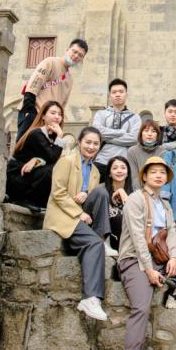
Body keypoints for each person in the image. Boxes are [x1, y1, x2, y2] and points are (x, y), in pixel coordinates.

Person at [118, 156, 176, 350]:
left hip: (160, 256)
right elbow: (135, 236)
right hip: (135, 258)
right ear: (144, 176)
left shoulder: (165, 205)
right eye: (153, 172)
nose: (158, 176)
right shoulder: (135, 199)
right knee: (141, 307)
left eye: (161, 173)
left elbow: (172, 231)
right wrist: (148, 270)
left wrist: (175, 257)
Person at [43, 127, 115, 321]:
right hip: (63, 215)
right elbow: (58, 193)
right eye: (88, 142)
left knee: (100, 192)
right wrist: (78, 213)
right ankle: (90, 298)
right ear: (80, 142)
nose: (91, 147)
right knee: (92, 244)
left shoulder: (94, 171)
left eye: (95, 144)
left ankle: (103, 239)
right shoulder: (66, 162)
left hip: (82, 214)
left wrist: (86, 195)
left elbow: (91, 199)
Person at [16, 38, 88, 140]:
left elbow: (62, 105)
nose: (76, 56)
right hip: (34, 112)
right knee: (23, 147)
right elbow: (33, 85)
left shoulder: (69, 80)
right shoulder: (50, 62)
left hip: (49, 120)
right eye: (74, 51)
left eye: (80, 55)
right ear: (67, 50)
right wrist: (31, 112)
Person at [6, 100, 65, 209]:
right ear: (43, 116)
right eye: (53, 113)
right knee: (51, 169)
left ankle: (40, 202)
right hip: (17, 179)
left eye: (60, 114)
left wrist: (36, 160)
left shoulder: (51, 137)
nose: (57, 117)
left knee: (57, 169)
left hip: (28, 177)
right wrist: (60, 137)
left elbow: (47, 158)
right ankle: (27, 200)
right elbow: (52, 158)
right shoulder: (37, 133)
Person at [93, 79, 142, 180]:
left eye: (121, 92)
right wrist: (121, 132)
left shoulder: (135, 117)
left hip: (124, 163)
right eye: (114, 92)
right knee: (99, 193)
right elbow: (97, 132)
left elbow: (134, 139)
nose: (117, 94)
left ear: (126, 94)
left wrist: (106, 138)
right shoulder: (101, 114)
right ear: (110, 95)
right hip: (101, 161)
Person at [101, 155, 133, 252]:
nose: (119, 171)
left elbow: (134, 215)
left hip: (130, 237)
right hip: (110, 236)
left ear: (127, 173)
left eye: (123, 168)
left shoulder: (135, 192)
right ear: (110, 173)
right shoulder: (102, 191)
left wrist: (121, 192)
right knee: (118, 218)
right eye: (115, 168)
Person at [127, 120, 165, 189]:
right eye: (146, 130)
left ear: (158, 135)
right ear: (141, 133)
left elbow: (162, 177)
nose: (149, 134)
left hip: (158, 192)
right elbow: (134, 177)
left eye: (153, 131)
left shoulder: (163, 152)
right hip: (138, 192)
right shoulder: (132, 151)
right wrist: (142, 195)